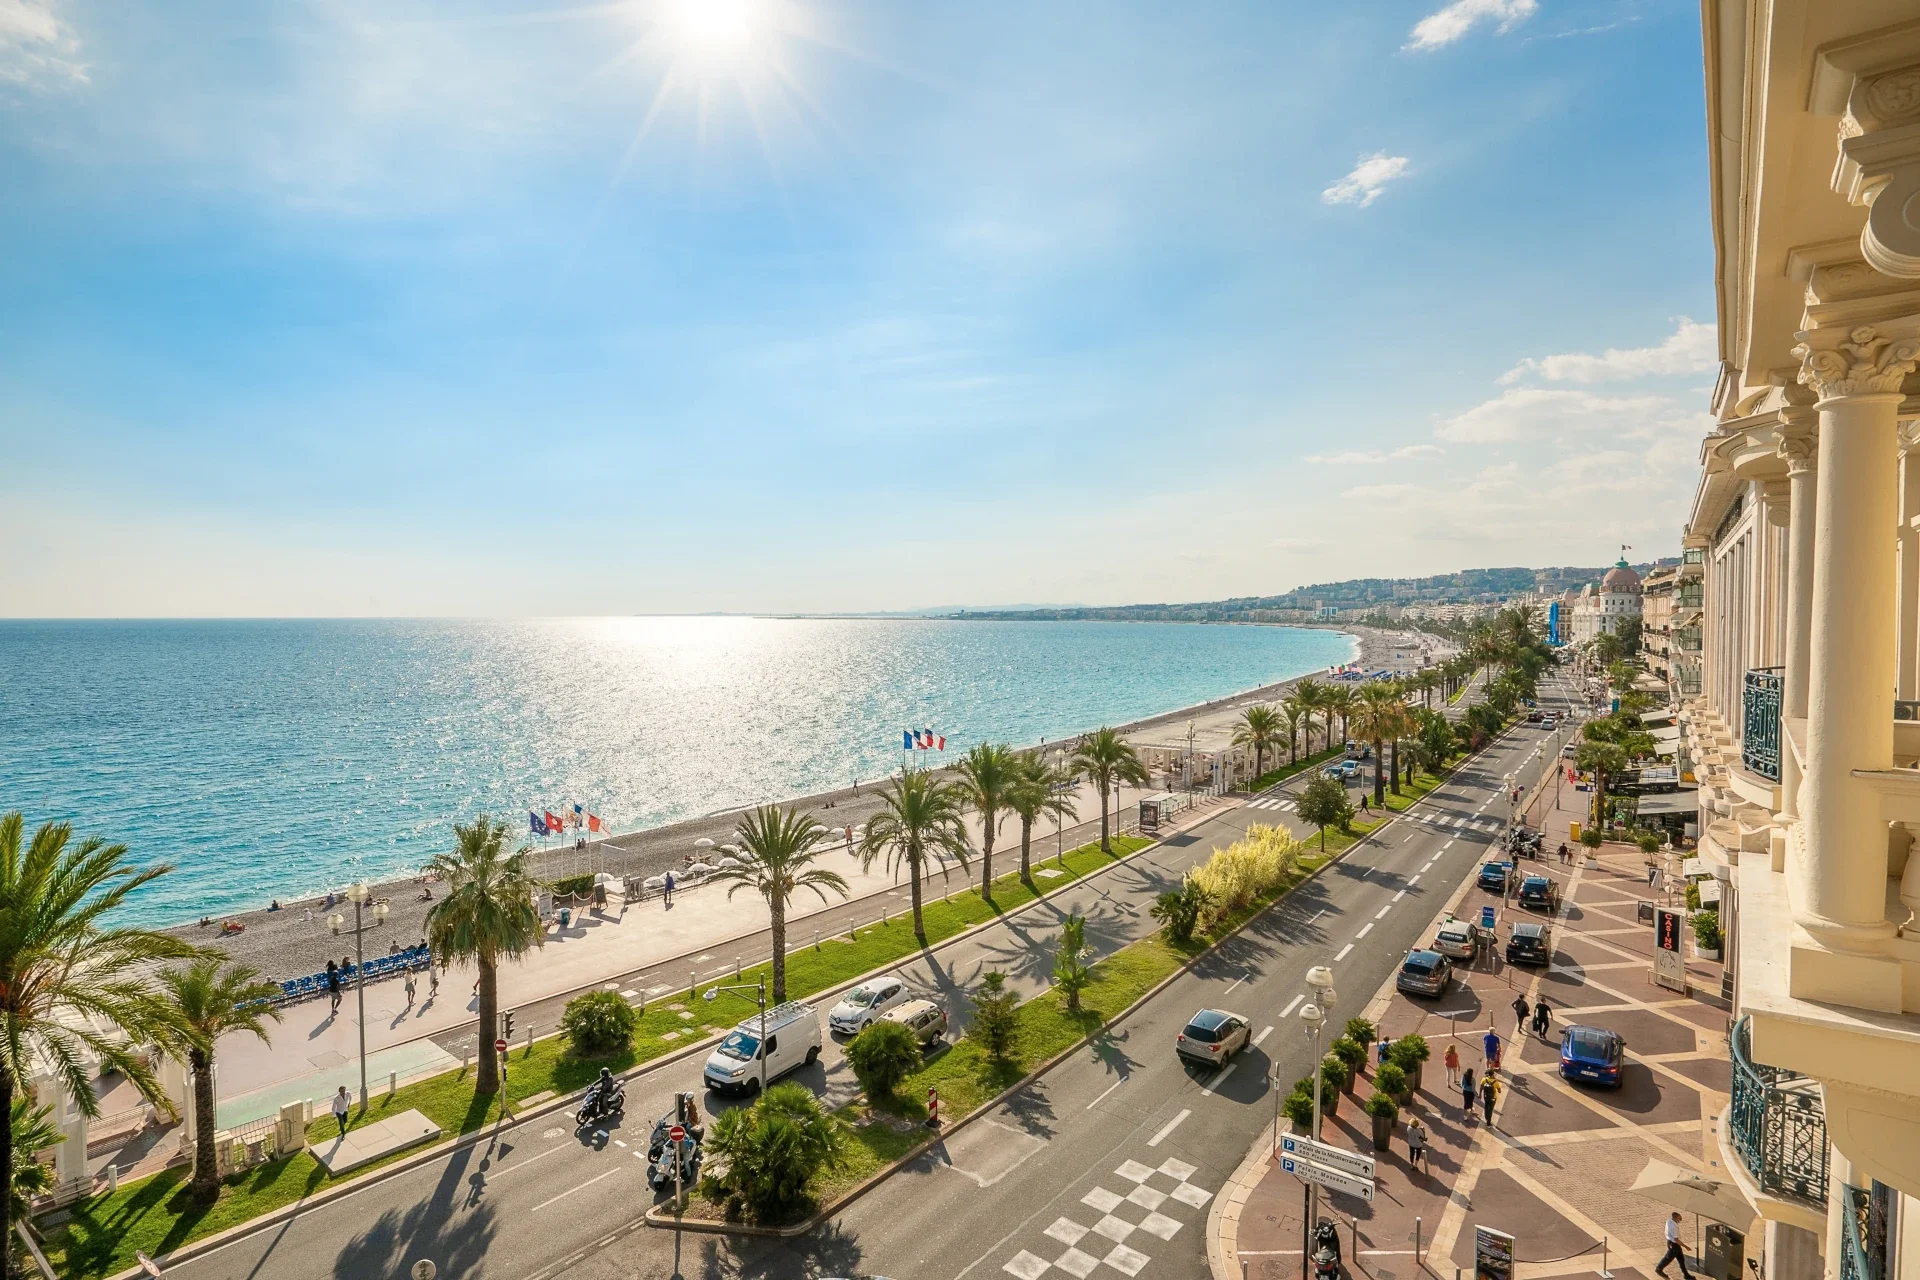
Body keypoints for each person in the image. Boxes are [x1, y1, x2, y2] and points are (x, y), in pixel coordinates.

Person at [1655, 1212, 1693, 1280]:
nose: (1680, 1220)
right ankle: (1659, 1269)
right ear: (1675, 1218)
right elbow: (1676, 1240)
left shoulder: (1669, 1220)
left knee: (1681, 1260)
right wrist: (1686, 1247)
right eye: (1679, 1219)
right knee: (1668, 1258)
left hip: (1672, 1243)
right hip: (1674, 1245)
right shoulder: (1673, 1227)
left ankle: (1686, 1275)